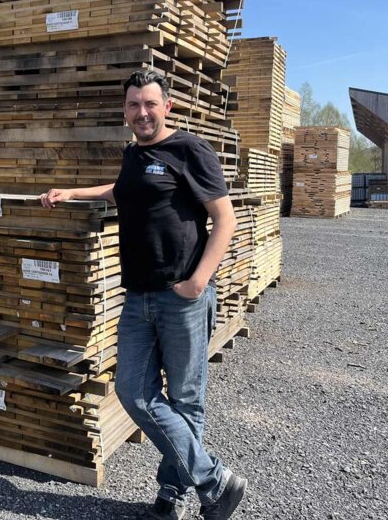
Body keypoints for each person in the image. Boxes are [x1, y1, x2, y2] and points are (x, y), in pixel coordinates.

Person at [39, 71, 245, 520]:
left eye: (150, 104)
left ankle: (170, 498)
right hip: (138, 296)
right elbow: (123, 191)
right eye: (134, 105)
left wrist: (196, 282)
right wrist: (74, 190)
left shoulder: (190, 149)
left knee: (186, 399)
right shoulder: (134, 153)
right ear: (125, 110)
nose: (142, 113)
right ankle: (215, 481)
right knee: (134, 390)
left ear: (167, 106)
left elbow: (224, 219)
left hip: (182, 296)